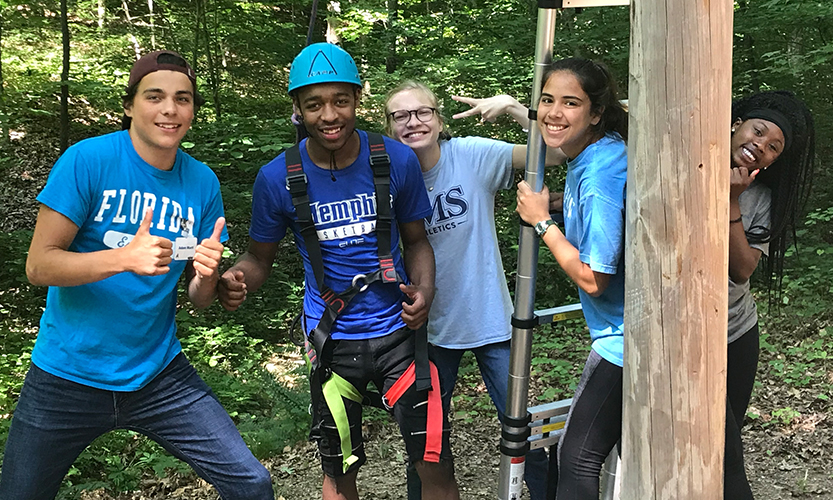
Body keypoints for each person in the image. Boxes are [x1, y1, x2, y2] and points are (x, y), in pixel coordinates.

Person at [0, 50, 274, 500]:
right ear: (130, 105)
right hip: (66, 374)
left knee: (251, 483)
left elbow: (198, 298)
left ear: (192, 111)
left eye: (182, 99)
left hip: (158, 374)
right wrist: (123, 258)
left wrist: (209, 276)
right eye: (155, 96)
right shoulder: (87, 160)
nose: (170, 109)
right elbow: (39, 265)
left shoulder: (202, 183)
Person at [217, 43, 459, 500]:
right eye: (315, 104)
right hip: (332, 342)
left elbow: (416, 241)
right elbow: (259, 259)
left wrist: (425, 290)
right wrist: (233, 279)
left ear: (357, 100)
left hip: (399, 335)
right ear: (298, 109)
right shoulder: (278, 178)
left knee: (435, 462)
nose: (329, 115)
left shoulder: (393, 159)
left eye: (340, 101)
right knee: (339, 468)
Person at [384, 81, 566, 500]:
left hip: (490, 319)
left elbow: (555, 153)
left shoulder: (471, 155)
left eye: (422, 112)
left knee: (523, 428)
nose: (414, 122)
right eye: (401, 116)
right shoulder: (385, 175)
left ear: (439, 118)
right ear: (390, 128)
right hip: (425, 330)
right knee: (425, 443)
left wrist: (515, 108)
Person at [514, 57, 628, 499]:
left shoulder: (599, 171)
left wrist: (543, 222)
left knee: (575, 458)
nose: (554, 113)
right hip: (634, 332)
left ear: (596, 112)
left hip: (623, 340)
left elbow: (594, 277)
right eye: (547, 100)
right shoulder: (603, 150)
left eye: (571, 103)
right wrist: (562, 203)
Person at [724, 90, 815, 500]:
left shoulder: (759, 197)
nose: (760, 146)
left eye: (773, 147)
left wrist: (731, 202)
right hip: (675, 333)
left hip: (735, 333)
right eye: (757, 132)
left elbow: (741, 269)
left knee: (724, 448)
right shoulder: (682, 160)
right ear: (735, 125)